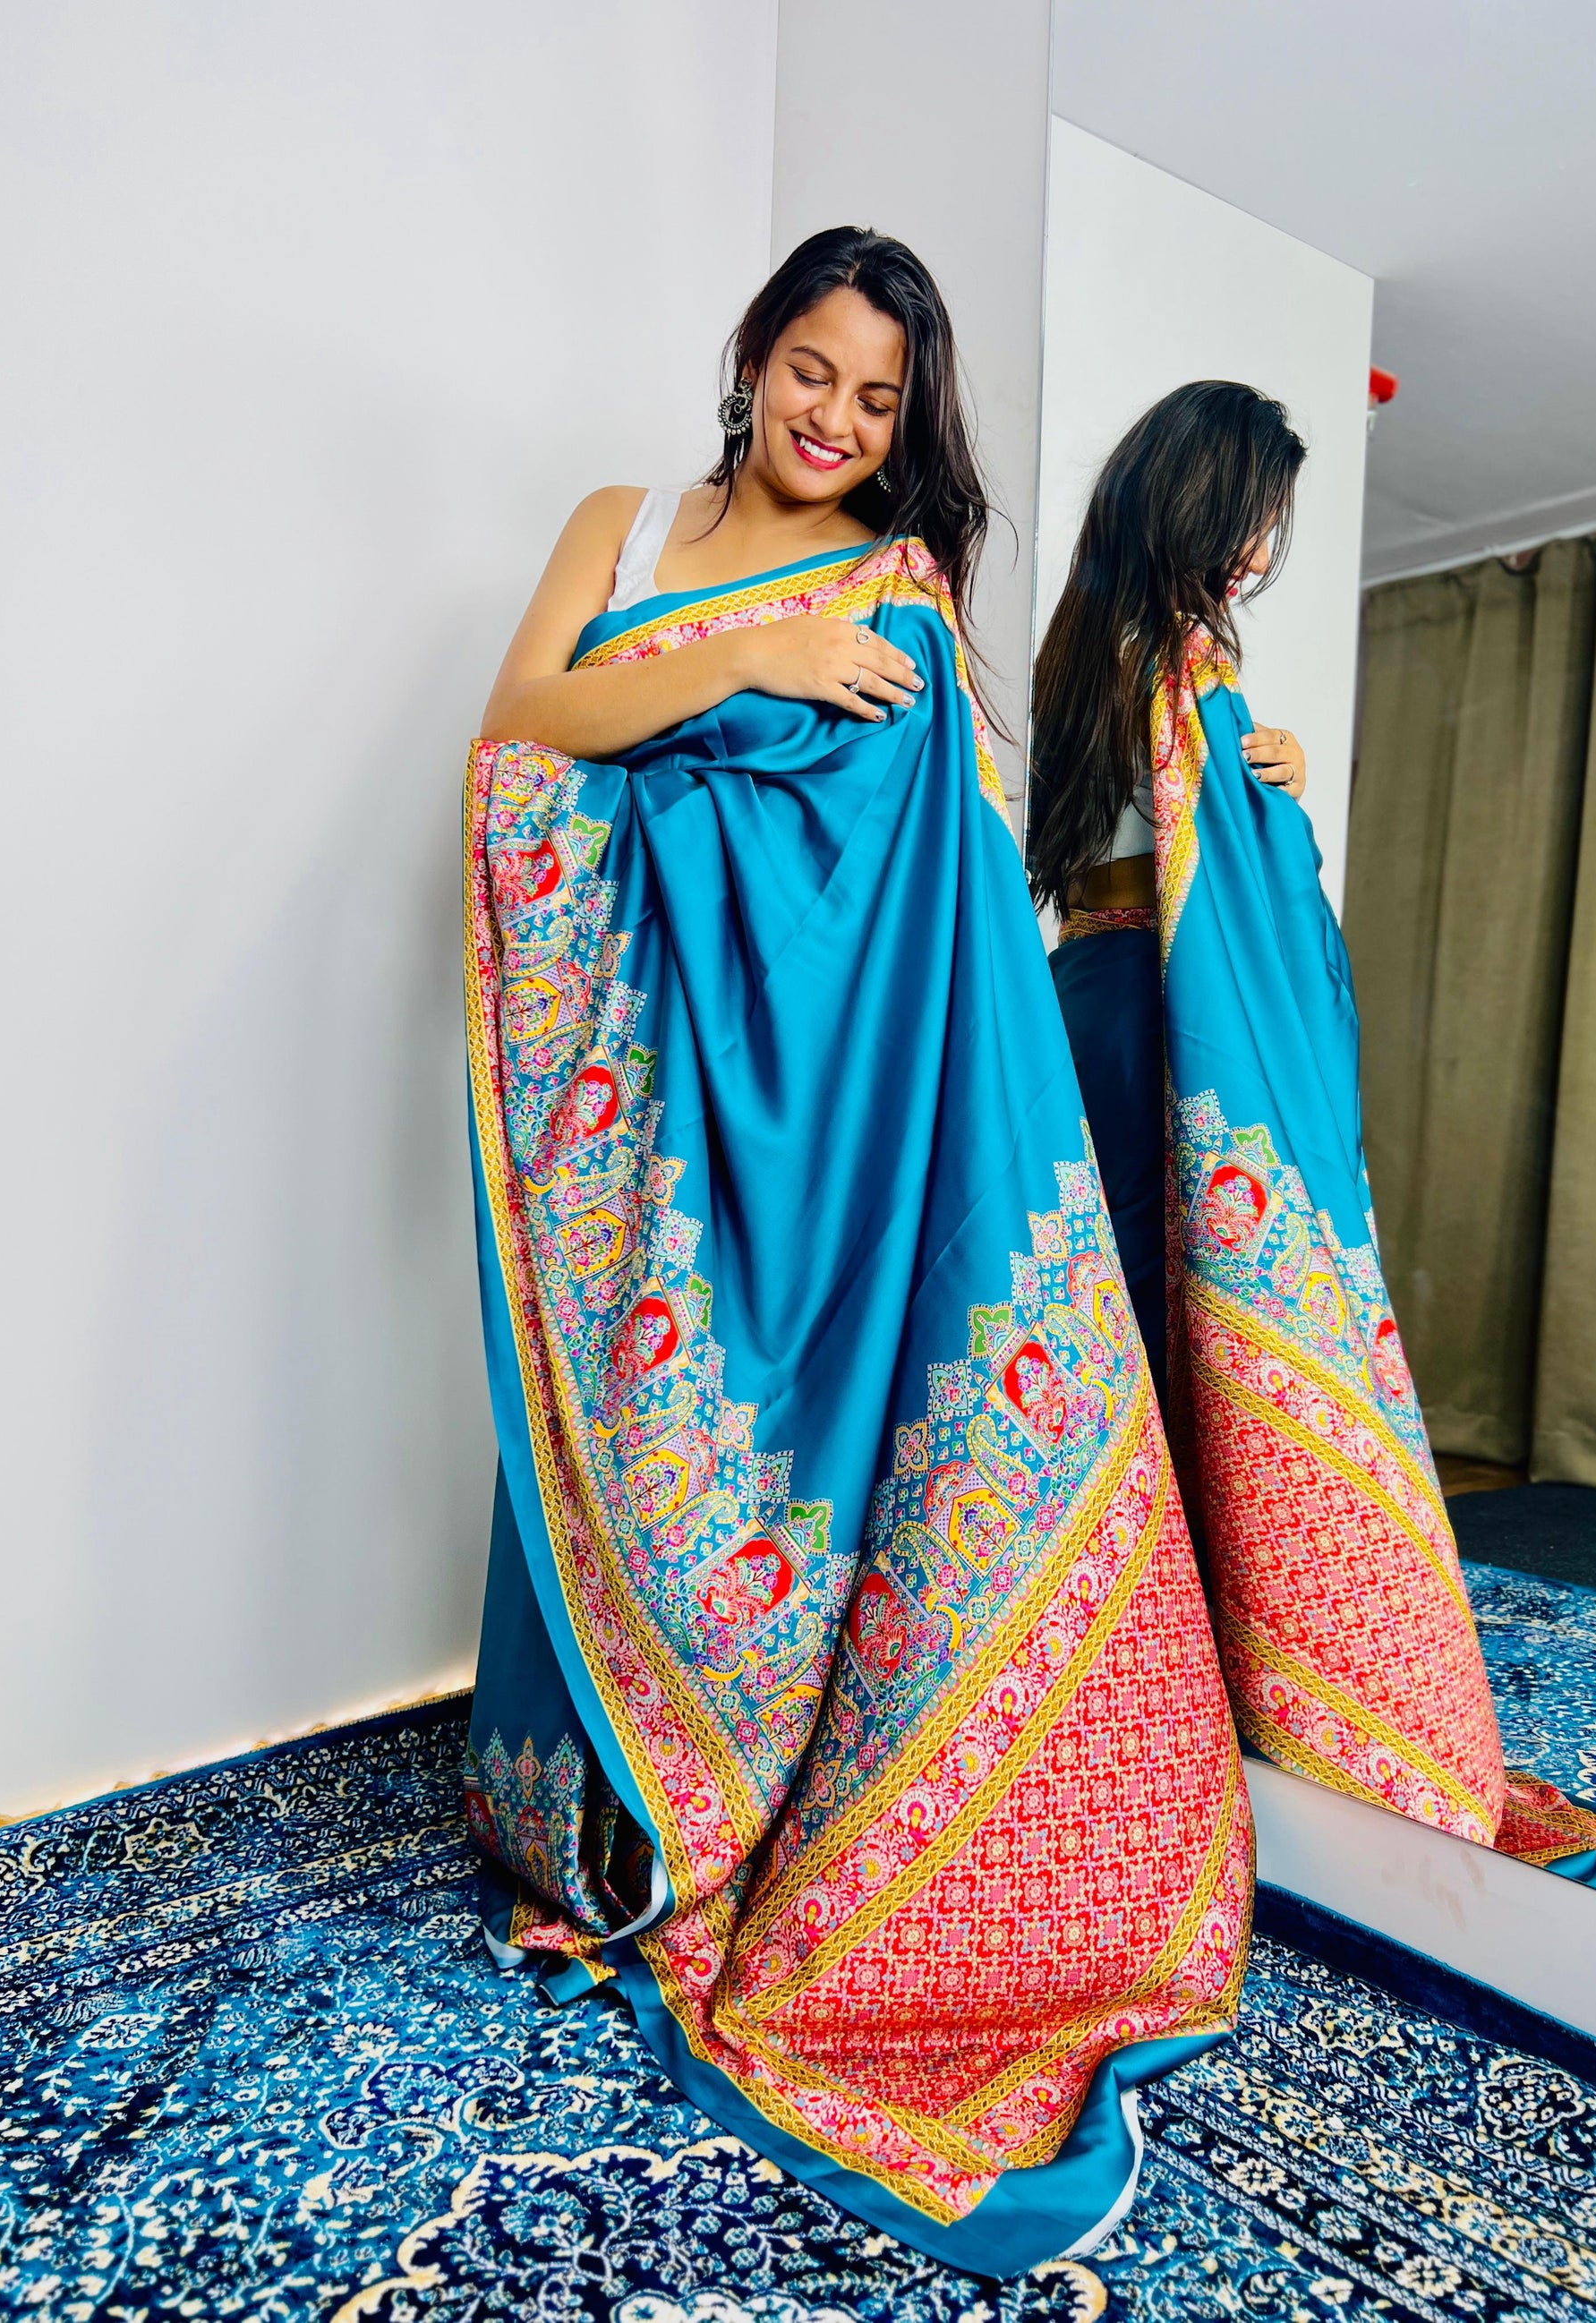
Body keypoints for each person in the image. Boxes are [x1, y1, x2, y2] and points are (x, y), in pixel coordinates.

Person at [460, 232, 1250, 2277]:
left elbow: (903, 888)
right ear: (754, 357)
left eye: (879, 399)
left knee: (775, 1468)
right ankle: (599, 1822)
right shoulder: (624, 525)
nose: (835, 417)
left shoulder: (895, 590)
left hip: (810, 1125)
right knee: (602, 1430)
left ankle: (748, 1817)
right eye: (813, 370)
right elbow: (525, 729)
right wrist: (746, 662)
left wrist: (824, 685)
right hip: (643, 1089)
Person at [1029, 381, 1596, 1896]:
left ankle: (1136, 1656)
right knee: (1168, 1323)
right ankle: (1185, 1674)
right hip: (1160, 1015)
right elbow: (1194, 867)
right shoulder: (1162, 659)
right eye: (1243, 518)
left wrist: (1278, 790)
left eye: (1270, 527)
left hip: (1098, 998)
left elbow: (1133, 848)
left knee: (1126, 1329)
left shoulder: (1107, 655)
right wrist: (1263, 806)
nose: (1256, 553)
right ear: (1183, 499)